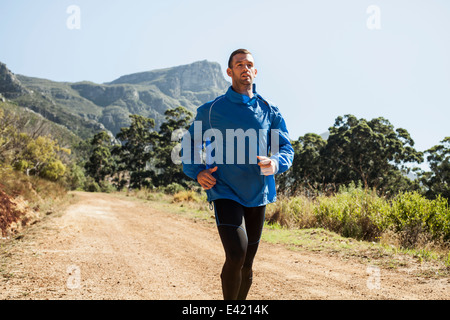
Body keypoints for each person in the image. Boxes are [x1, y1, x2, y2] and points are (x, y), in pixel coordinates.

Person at [182, 49, 294, 300]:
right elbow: (190, 144)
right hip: (224, 189)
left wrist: (275, 163)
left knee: (247, 263)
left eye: (250, 64)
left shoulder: (270, 111)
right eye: (239, 64)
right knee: (235, 254)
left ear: (255, 72)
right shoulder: (210, 111)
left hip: (258, 192)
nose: (245, 68)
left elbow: (285, 147)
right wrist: (197, 171)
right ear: (230, 72)